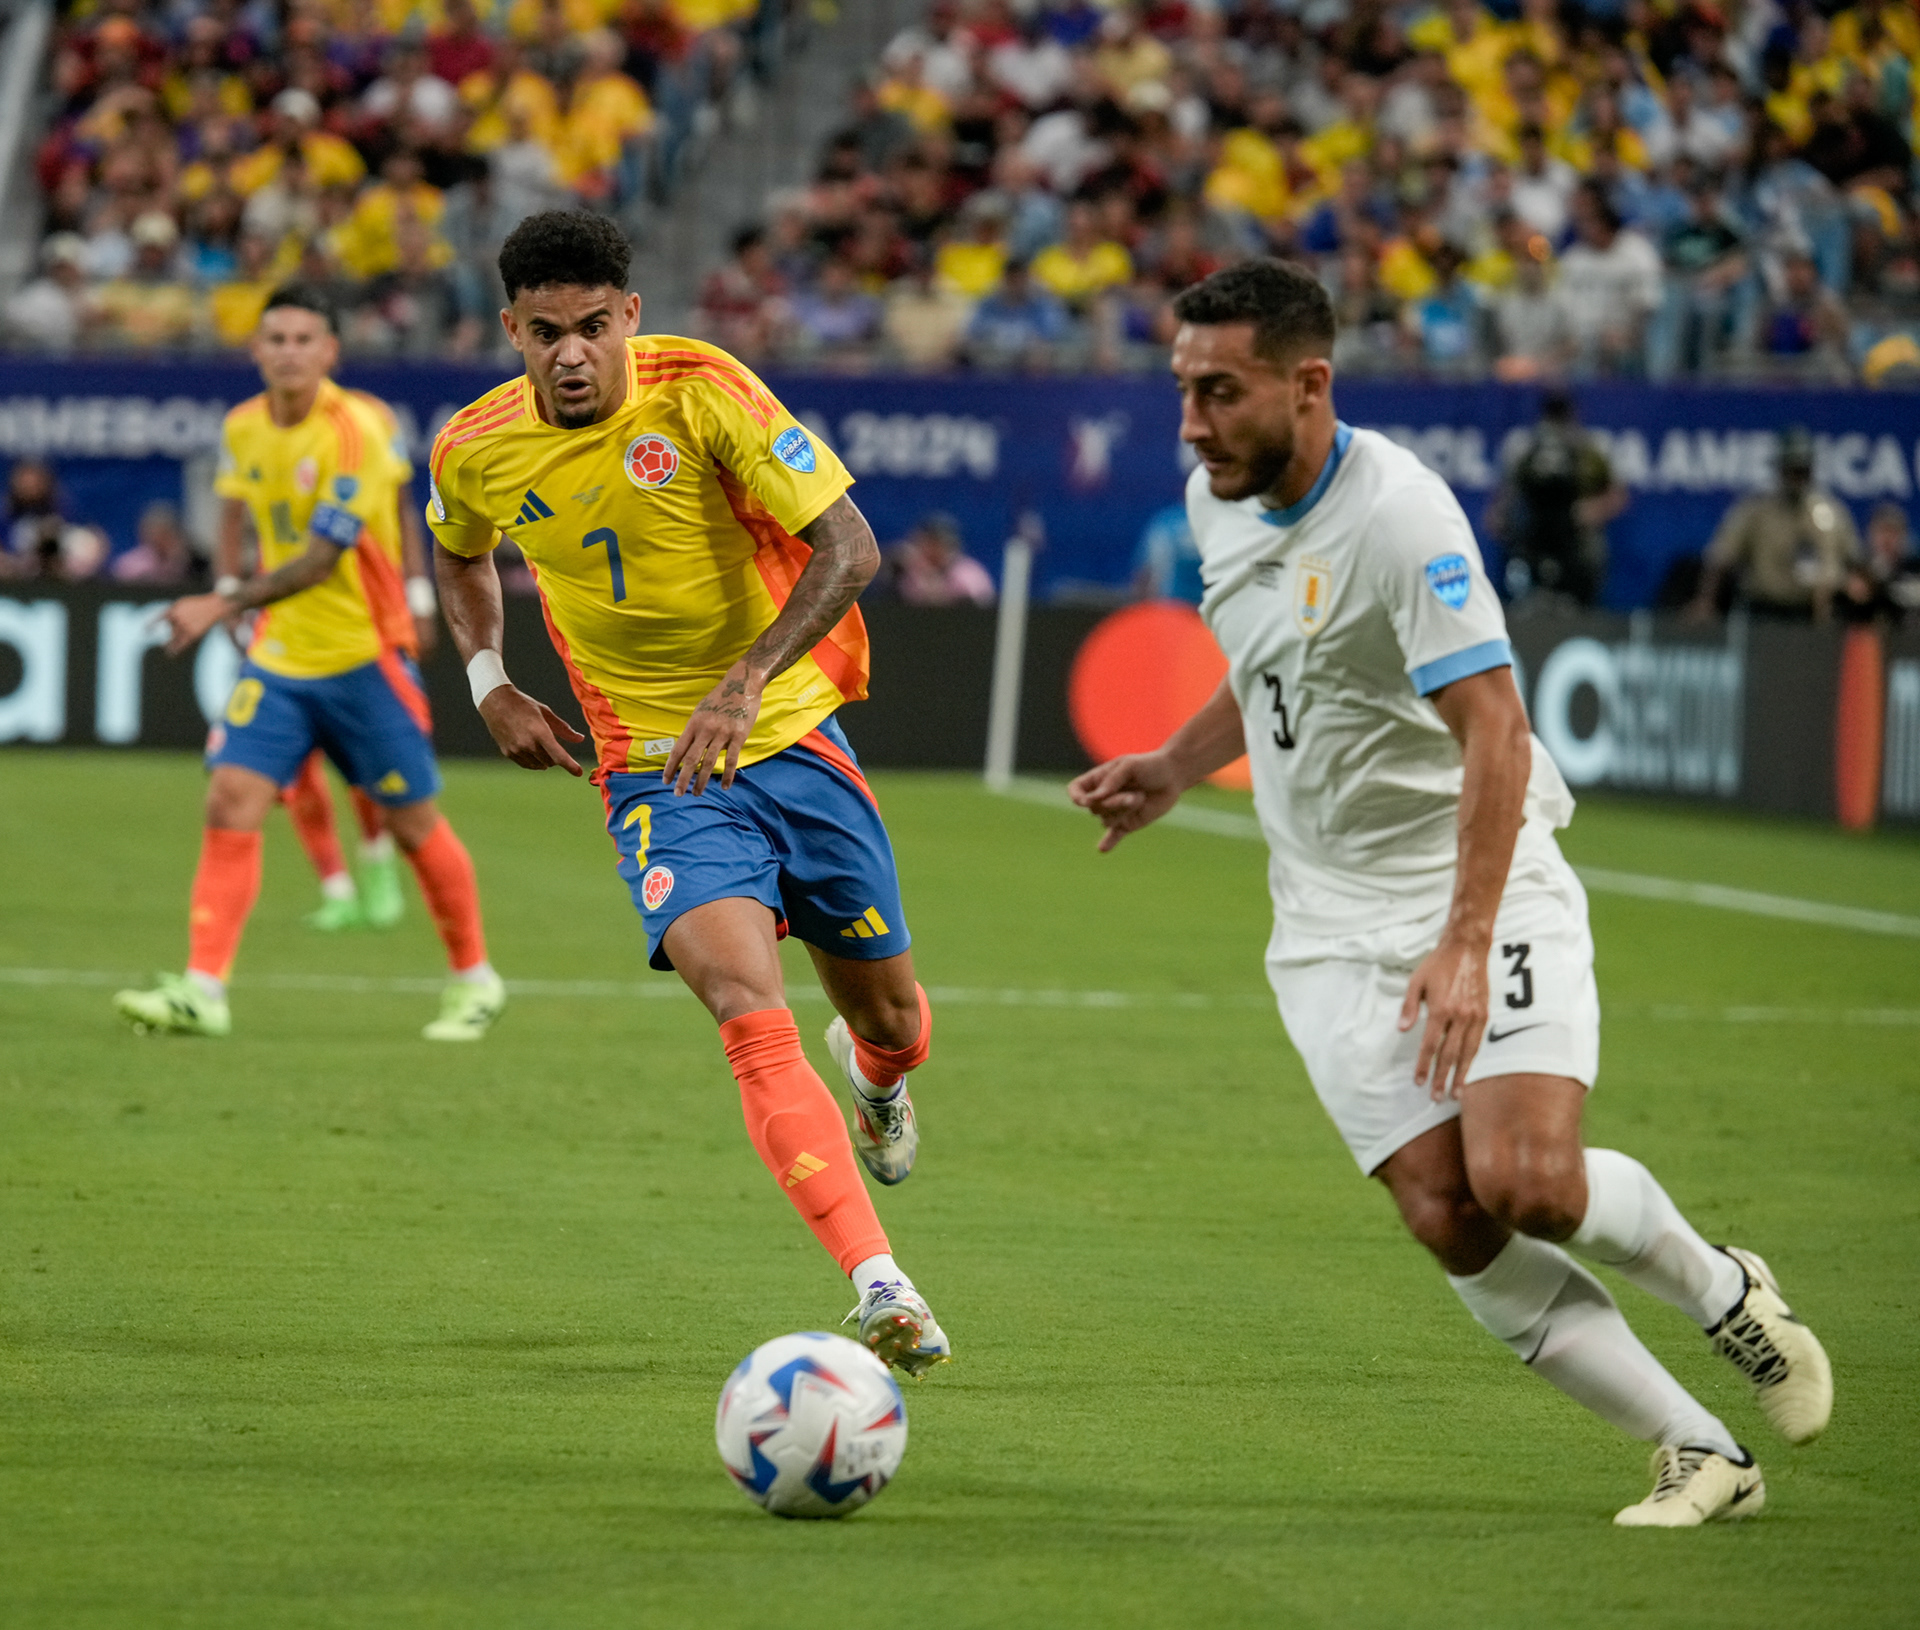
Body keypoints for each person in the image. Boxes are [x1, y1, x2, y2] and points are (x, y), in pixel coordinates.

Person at [1070, 259, 1831, 1527]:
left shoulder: (1401, 518)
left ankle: (1726, 1293)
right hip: (1322, 926)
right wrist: (1174, 764)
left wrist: (1467, 943)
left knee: (1528, 1178)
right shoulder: (1219, 500)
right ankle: (1702, 1452)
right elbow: (1272, 673)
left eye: (1221, 392)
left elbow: (1495, 730)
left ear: (1310, 385)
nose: (1193, 424)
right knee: (1445, 1209)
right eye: (1183, 391)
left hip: (1478, 885)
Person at [426, 211, 951, 1377]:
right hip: (655, 770)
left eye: (595, 327)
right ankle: (882, 1285)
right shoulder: (472, 447)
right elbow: (458, 550)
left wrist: (746, 679)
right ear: (511, 330)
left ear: (631, 317)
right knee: (743, 1008)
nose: (572, 353)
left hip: (794, 739)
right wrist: (487, 682)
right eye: (547, 331)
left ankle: (878, 1081)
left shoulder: (704, 390)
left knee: (894, 1020)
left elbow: (850, 547)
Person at [114, 285, 503, 1043]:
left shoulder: (355, 429)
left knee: (412, 821)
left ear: (330, 352)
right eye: (276, 338)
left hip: (364, 653)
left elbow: (325, 558)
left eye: (304, 339)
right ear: (255, 350)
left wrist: (217, 606)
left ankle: (474, 979)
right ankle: (203, 990)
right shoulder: (243, 426)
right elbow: (235, 514)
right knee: (231, 798)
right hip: (282, 658)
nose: (289, 351)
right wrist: (232, 591)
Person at [1688, 426, 1861, 622]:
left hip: (1815, 614)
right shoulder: (1756, 510)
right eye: (1791, 469)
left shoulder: (1832, 512)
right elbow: (1721, 557)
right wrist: (1706, 601)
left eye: (1803, 470)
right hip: (1765, 612)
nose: (1797, 477)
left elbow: (1854, 562)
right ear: (1780, 469)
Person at [1487, 389, 1626, 607]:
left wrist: (1586, 512)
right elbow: (1505, 499)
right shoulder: (1527, 451)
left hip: (1575, 533)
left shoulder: (1589, 452)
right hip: (1535, 529)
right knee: (1516, 558)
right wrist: (1502, 519)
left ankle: (1583, 606)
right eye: (1552, 417)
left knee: (1592, 551)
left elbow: (1617, 496)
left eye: (1560, 417)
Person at [889, 513, 997, 607]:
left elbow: (975, 606)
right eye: (926, 542)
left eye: (935, 542)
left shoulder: (969, 573)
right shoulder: (911, 572)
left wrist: (930, 577)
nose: (930, 548)